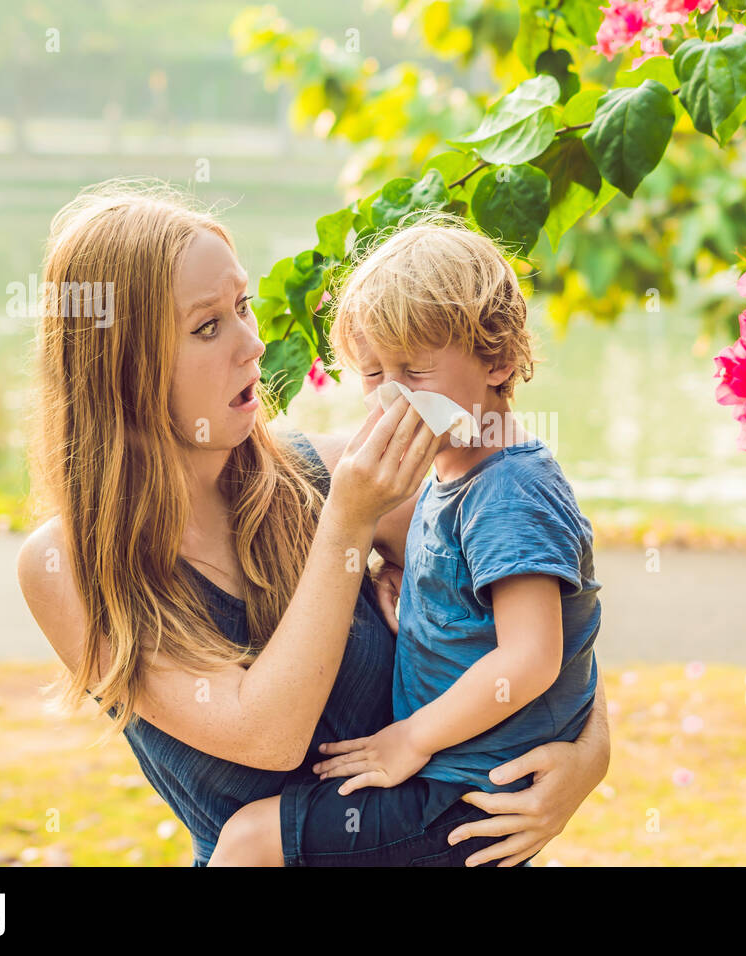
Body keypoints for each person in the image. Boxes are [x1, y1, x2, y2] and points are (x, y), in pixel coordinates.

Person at [15, 181, 610, 867]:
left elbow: (542, 611)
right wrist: (348, 529)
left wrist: (589, 754)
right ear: (124, 369)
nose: (254, 344)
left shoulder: (325, 471)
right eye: (209, 326)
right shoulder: (71, 568)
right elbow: (267, 737)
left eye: (244, 307)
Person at [209, 218, 601, 866]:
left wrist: (410, 740)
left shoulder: (509, 491)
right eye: (373, 375)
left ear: (497, 358)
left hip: (466, 793)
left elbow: (532, 656)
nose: (392, 396)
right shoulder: (453, 474)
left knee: (249, 841)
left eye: (414, 373)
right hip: (454, 777)